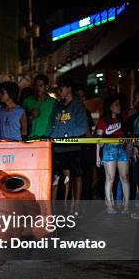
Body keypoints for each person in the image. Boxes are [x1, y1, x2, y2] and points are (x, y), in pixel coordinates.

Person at [50, 76, 88, 211]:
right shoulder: (58, 105)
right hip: (59, 148)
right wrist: (52, 137)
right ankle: (57, 208)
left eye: (61, 88)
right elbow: (54, 125)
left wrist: (66, 135)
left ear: (69, 89)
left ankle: (76, 207)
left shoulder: (78, 105)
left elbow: (82, 127)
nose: (59, 91)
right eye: (58, 89)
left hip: (73, 147)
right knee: (58, 178)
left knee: (76, 177)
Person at [96, 94, 130, 214]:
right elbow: (98, 140)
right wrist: (97, 155)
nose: (119, 106)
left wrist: (132, 147)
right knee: (110, 178)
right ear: (110, 106)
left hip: (122, 149)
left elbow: (128, 136)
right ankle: (110, 205)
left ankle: (126, 206)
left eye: (119, 104)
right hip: (109, 149)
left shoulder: (123, 119)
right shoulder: (103, 121)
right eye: (116, 104)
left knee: (125, 178)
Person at [23, 74, 56, 139]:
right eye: (36, 85)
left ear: (46, 87)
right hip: (30, 138)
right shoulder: (27, 101)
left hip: (47, 139)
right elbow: (20, 120)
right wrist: (30, 115)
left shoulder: (54, 102)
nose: (38, 88)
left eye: (41, 85)